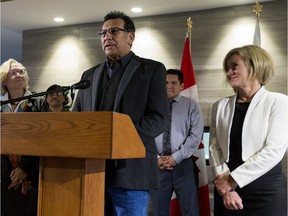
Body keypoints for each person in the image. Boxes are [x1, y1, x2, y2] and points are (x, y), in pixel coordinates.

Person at [72, 11, 169, 215]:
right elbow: (77, 119)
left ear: (130, 37)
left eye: (114, 31)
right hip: (92, 171)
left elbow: (159, 119)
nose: (107, 36)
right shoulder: (88, 75)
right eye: (103, 33)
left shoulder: (152, 70)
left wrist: (119, 137)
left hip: (131, 171)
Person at [209, 45, 288, 216]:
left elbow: (274, 150)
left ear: (255, 65)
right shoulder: (219, 106)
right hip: (227, 191)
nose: (229, 72)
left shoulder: (279, 102)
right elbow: (214, 148)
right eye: (227, 68)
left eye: (234, 66)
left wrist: (232, 180)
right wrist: (226, 188)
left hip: (265, 192)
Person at [150, 69, 204, 216]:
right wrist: (156, 159)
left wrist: (176, 157)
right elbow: (145, 134)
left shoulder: (191, 105)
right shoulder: (150, 105)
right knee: (158, 211)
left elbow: (196, 135)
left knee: (190, 211)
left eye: (174, 82)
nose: (169, 86)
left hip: (183, 165)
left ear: (182, 86)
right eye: (166, 82)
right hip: (157, 166)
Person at [0, 58, 45, 216]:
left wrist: (24, 169)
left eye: (22, 71)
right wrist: (8, 173)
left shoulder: (39, 103)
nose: (19, 74)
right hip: (5, 178)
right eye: (14, 72)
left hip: (32, 175)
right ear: (4, 80)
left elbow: (44, 140)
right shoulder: (0, 105)